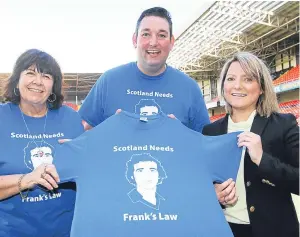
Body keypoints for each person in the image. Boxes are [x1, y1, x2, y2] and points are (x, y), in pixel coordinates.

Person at [202, 52, 299, 237]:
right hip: (224, 230)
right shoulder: (209, 132)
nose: (237, 85)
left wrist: (263, 160)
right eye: (230, 78)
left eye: (248, 79)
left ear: (261, 87)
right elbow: (199, 184)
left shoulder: (283, 124)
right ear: (223, 86)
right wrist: (212, 194)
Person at [78, 7, 210, 133]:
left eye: (162, 35)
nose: (153, 42)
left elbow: (205, 143)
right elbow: (81, 132)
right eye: (146, 34)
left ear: (171, 42)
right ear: (135, 40)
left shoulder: (189, 88)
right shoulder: (109, 82)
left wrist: (180, 135)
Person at [0, 49, 84, 237]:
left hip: (65, 231)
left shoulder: (70, 118)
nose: (37, 81)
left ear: (54, 85)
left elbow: (87, 173)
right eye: (30, 73)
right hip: (12, 231)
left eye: (46, 76)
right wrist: (27, 179)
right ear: (17, 79)